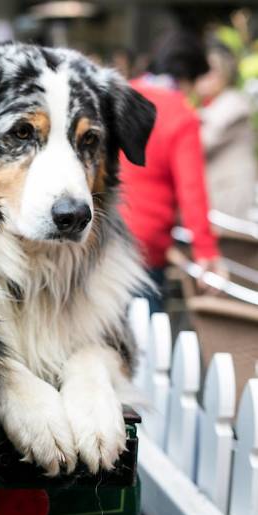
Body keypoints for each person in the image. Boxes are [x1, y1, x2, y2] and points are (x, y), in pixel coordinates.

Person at [119, 30, 225, 313]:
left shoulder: (123, 96)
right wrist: (206, 253)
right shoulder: (181, 115)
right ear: (189, 77)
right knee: (145, 339)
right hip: (144, 245)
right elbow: (192, 192)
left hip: (102, 234)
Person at [196, 42, 258, 219]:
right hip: (215, 192)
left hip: (227, 195)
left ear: (225, 74)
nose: (203, 75)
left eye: (210, 70)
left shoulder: (233, 104)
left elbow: (201, 142)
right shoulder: (210, 104)